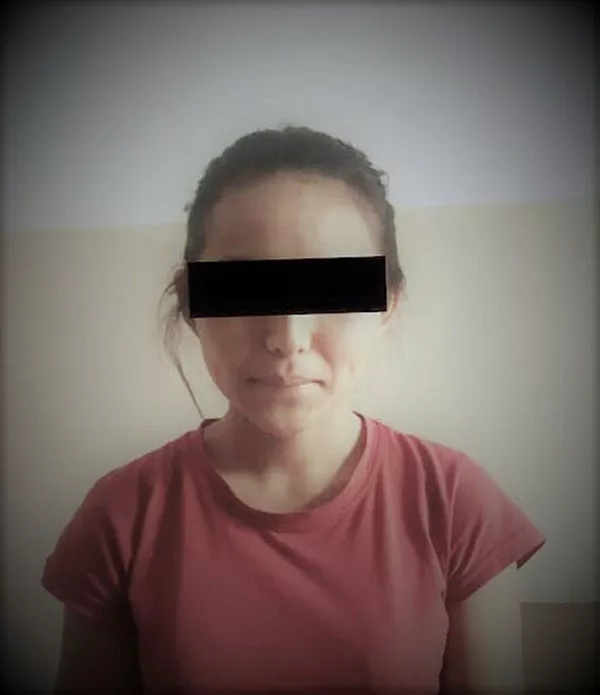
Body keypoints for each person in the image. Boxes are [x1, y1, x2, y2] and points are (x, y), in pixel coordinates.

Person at [42, 126, 546, 695]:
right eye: (244, 289)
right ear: (191, 303)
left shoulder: (456, 502)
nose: (287, 338)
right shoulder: (120, 516)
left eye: (332, 288)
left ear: (387, 305)